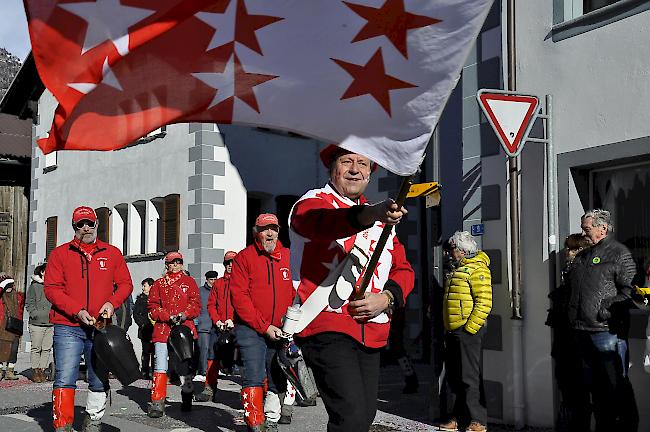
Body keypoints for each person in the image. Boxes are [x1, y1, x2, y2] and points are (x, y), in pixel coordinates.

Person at [289, 145, 414, 432]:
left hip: (371, 329)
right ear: (332, 168)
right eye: (346, 162)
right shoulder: (312, 204)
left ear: (370, 173)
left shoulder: (384, 220)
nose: (355, 169)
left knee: (363, 417)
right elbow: (322, 225)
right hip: (327, 324)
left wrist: (387, 298)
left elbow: (403, 269)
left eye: (363, 164)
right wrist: (370, 215)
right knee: (351, 417)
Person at [44, 206, 133, 432]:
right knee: (65, 376)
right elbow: (52, 289)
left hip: (101, 327)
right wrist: (76, 310)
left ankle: (93, 420)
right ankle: (62, 424)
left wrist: (111, 303)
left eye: (89, 223)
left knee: (98, 376)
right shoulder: (60, 254)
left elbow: (125, 284)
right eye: (80, 224)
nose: (85, 228)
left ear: (97, 224)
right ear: (74, 227)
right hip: (68, 326)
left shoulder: (112, 253)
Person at [566, 209, 638, 431]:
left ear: (602, 228)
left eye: (587, 229)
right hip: (582, 331)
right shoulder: (583, 256)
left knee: (615, 386)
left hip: (606, 331)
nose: (583, 233)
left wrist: (605, 310)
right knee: (594, 388)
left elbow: (630, 292)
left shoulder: (618, 253)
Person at [230, 214, 295, 432]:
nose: (270, 233)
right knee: (255, 373)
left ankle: (272, 418)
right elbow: (239, 297)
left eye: (273, 229)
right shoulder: (244, 258)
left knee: (278, 373)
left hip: (282, 328)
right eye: (264, 229)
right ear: (255, 232)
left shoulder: (288, 256)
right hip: (251, 328)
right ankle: (255, 423)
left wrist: (293, 323)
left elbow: (298, 290)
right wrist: (264, 326)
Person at [436, 231, 492, 432]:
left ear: (460, 250)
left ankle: (478, 420)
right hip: (454, 330)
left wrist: (469, 329)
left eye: (451, 250)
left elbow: (484, 302)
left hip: (467, 331)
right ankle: (458, 418)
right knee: (455, 376)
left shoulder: (477, 269)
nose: (450, 254)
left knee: (470, 376)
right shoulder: (459, 269)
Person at [545, 233, 592, 431]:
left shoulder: (584, 273)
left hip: (575, 338)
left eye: (573, 248)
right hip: (565, 338)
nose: (568, 252)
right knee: (568, 387)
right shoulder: (569, 271)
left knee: (576, 389)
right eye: (568, 247)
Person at [147, 251, 201, 418]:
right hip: (163, 329)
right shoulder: (158, 284)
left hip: (184, 328)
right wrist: (166, 316)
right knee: (160, 365)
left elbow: (196, 305)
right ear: (167, 265)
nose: (176, 265)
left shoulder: (189, 282)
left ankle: (186, 395)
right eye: (172, 262)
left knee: (184, 364)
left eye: (178, 262)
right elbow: (152, 307)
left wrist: (184, 314)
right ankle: (157, 401)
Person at [206, 250, 237, 399]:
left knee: (243, 358)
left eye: (233, 262)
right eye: (228, 263)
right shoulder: (218, 283)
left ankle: (251, 390)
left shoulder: (242, 282)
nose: (230, 265)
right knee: (212, 356)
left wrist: (233, 320)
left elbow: (244, 305)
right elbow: (211, 304)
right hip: (218, 326)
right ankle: (210, 386)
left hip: (236, 326)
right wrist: (217, 320)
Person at [193, 269, 219, 401]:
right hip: (203, 325)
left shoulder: (218, 290)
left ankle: (210, 376)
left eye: (215, 279)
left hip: (215, 326)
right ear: (206, 280)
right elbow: (196, 307)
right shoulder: (200, 291)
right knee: (203, 350)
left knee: (212, 352)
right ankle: (202, 373)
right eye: (211, 280)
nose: (213, 282)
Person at [25, 263, 53, 383]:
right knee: (36, 348)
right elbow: (29, 303)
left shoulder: (53, 285)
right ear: (42, 272)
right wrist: (34, 314)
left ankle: (42, 369)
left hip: (50, 323)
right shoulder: (34, 286)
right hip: (36, 323)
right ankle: (35, 370)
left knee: (46, 348)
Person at [0, 275, 24, 381]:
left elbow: (21, 309)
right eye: (7, 285)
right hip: (2, 326)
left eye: (11, 285)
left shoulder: (18, 296)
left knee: (14, 349)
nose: (9, 287)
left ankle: (10, 371)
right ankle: (0, 370)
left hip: (15, 325)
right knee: (1, 349)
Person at [133, 278, 155, 379]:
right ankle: (145, 371)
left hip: (155, 329)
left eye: (145, 286)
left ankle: (155, 371)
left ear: (151, 287)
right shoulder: (140, 299)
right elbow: (136, 314)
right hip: (145, 329)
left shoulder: (156, 299)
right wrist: (142, 324)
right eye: (143, 286)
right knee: (146, 351)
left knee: (155, 351)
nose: (143, 288)